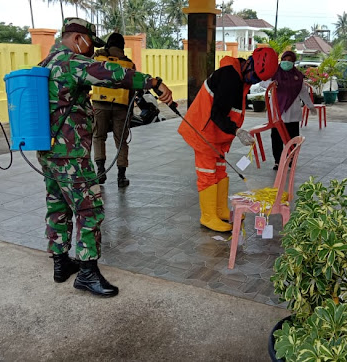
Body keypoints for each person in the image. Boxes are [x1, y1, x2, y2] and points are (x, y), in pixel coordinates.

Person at [38, 18, 172, 297]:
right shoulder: (71, 62)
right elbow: (113, 74)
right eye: (89, 44)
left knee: (57, 205)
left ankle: (61, 263)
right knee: (89, 209)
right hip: (71, 154)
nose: (90, 51)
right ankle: (87, 272)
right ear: (77, 38)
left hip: (48, 151)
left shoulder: (45, 63)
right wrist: (154, 83)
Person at [178, 47, 279, 233]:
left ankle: (219, 210)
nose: (253, 81)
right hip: (204, 132)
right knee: (207, 173)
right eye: (254, 76)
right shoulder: (229, 77)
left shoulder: (240, 78)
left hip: (219, 135)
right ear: (249, 63)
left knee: (220, 171)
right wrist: (237, 131)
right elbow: (216, 114)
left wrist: (233, 132)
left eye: (258, 80)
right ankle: (208, 216)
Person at [91, 32, 133, 188]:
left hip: (100, 104)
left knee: (98, 136)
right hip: (121, 106)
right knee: (121, 140)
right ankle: (121, 177)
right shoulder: (128, 63)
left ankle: (100, 171)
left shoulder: (98, 59)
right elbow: (133, 86)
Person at [270, 51, 316, 170]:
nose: (287, 63)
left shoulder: (297, 76)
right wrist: (271, 83)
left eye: (290, 61)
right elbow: (264, 83)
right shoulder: (274, 73)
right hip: (277, 111)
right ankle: (277, 161)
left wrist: (310, 105)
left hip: (293, 112)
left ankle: (291, 160)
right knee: (276, 138)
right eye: (285, 60)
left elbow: (303, 92)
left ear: (294, 62)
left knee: (293, 138)